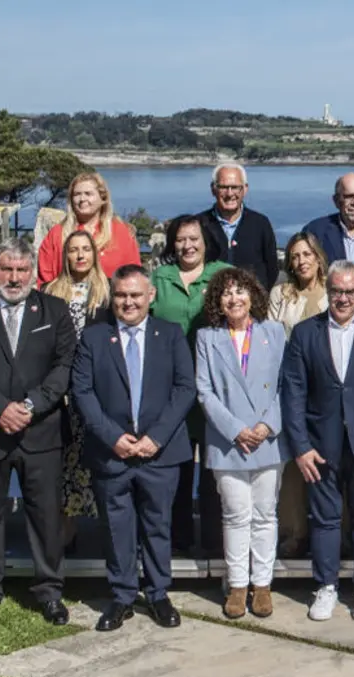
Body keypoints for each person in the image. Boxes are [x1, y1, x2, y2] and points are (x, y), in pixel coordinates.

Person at [71, 264, 195, 632]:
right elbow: (82, 392)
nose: (129, 302)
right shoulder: (94, 338)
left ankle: (158, 593)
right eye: (122, 295)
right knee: (116, 527)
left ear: (150, 296)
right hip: (112, 453)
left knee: (158, 524)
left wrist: (156, 437)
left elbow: (185, 388)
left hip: (160, 452)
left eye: (136, 295)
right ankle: (122, 596)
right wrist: (113, 437)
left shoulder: (170, 335)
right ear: (113, 297)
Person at [281, 260, 354, 622]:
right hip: (320, 445)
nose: (343, 298)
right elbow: (293, 392)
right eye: (336, 291)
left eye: (350, 292)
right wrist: (300, 446)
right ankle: (326, 585)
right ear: (327, 291)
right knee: (325, 518)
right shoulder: (305, 332)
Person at [195, 268, 288, 620]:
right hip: (228, 441)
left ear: (253, 295)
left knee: (265, 515)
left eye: (240, 291)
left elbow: (286, 384)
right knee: (235, 515)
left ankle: (262, 585)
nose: (234, 299)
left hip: (268, 439)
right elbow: (204, 390)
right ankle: (237, 585)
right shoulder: (207, 338)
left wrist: (266, 425)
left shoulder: (273, 332)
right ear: (217, 301)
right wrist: (236, 430)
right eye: (226, 293)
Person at [0, 238, 75, 625]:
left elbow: (65, 366)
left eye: (22, 269)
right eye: (7, 269)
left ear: (33, 273)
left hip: (40, 431)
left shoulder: (54, 311)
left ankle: (49, 592)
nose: (14, 277)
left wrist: (29, 406)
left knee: (45, 518)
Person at [150, 214, 230, 555]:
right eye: (181, 239)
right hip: (170, 390)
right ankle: (178, 541)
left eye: (194, 238)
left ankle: (214, 544)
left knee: (214, 472)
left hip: (216, 388)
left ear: (205, 241)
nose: (187, 245)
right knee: (176, 470)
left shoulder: (223, 275)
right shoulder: (160, 277)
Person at [43, 230, 113, 544]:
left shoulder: (107, 290)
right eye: (73, 250)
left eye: (86, 249)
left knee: (95, 457)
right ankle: (66, 530)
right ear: (65, 255)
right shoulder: (50, 291)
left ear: (94, 254)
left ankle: (107, 529)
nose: (80, 255)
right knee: (64, 460)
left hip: (96, 387)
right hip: (59, 388)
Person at [268, 233, 330, 557]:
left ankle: (333, 533)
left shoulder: (334, 291)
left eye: (307, 254)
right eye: (295, 256)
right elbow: (271, 337)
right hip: (290, 386)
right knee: (292, 464)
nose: (301, 261)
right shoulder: (281, 294)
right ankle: (293, 533)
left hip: (326, 388)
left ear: (318, 257)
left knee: (327, 462)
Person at [36, 172, 141, 286]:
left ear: (103, 198)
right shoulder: (57, 234)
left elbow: (135, 276)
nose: (82, 199)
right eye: (77, 194)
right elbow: (45, 279)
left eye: (88, 194)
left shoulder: (121, 232)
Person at [197, 163, 280, 289]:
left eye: (235, 187)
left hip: (251, 299)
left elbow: (272, 268)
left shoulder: (260, 223)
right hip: (210, 299)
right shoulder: (199, 224)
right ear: (213, 189)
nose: (230, 193)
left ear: (245, 189)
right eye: (223, 187)